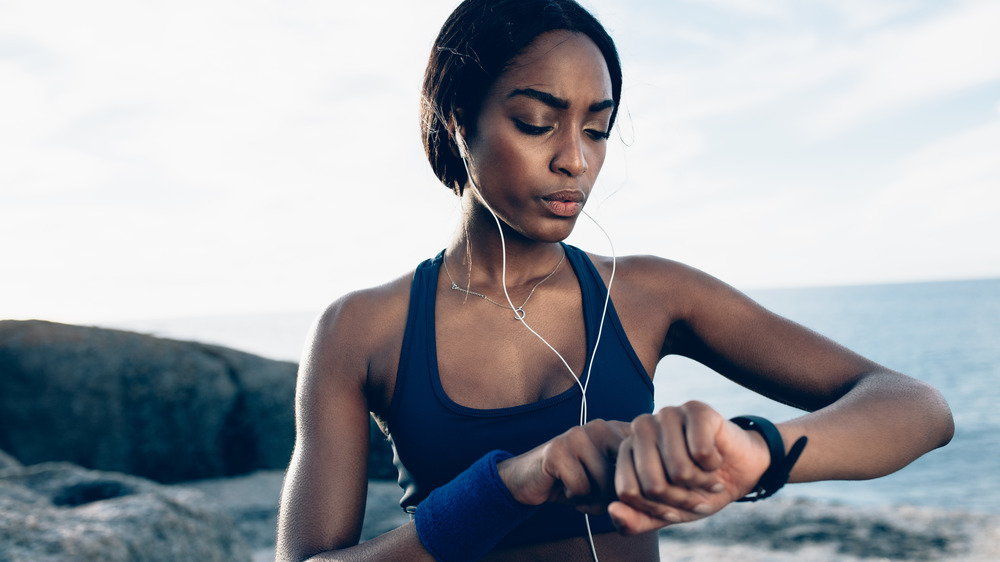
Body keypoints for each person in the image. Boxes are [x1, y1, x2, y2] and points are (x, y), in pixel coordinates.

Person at [275, 1, 954, 560]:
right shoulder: (361, 330)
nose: (574, 160)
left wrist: (758, 452)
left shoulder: (653, 296)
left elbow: (917, 408)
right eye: (536, 123)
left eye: (597, 130)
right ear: (457, 122)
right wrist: (512, 484)